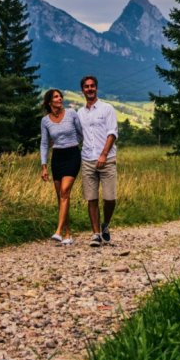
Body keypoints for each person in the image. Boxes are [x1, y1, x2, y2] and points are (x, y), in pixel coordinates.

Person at [77, 75, 118, 247]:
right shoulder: (79, 113)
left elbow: (112, 133)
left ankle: (105, 225)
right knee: (91, 198)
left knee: (110, 198)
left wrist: (103, 154)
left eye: (92, 86)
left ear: (96, 88)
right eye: (86, 86)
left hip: (107, 159)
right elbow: (78, 136)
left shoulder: (107, 108)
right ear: (82, 90)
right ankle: (95, 234)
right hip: (87, 159)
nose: (90, 89)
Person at [40, 88, 83, 245]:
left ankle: (58, 231)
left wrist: (74, 144)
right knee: (61, 197)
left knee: (65, 192)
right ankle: (68, 233)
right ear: (50, 102)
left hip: (72, 155)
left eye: (60, 96)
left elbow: (81, 133)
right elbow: (44, 143)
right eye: (56, 97)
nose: (60, 99)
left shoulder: (71, 113)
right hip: (57, 157)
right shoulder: (45, 121)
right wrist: (43, 166)